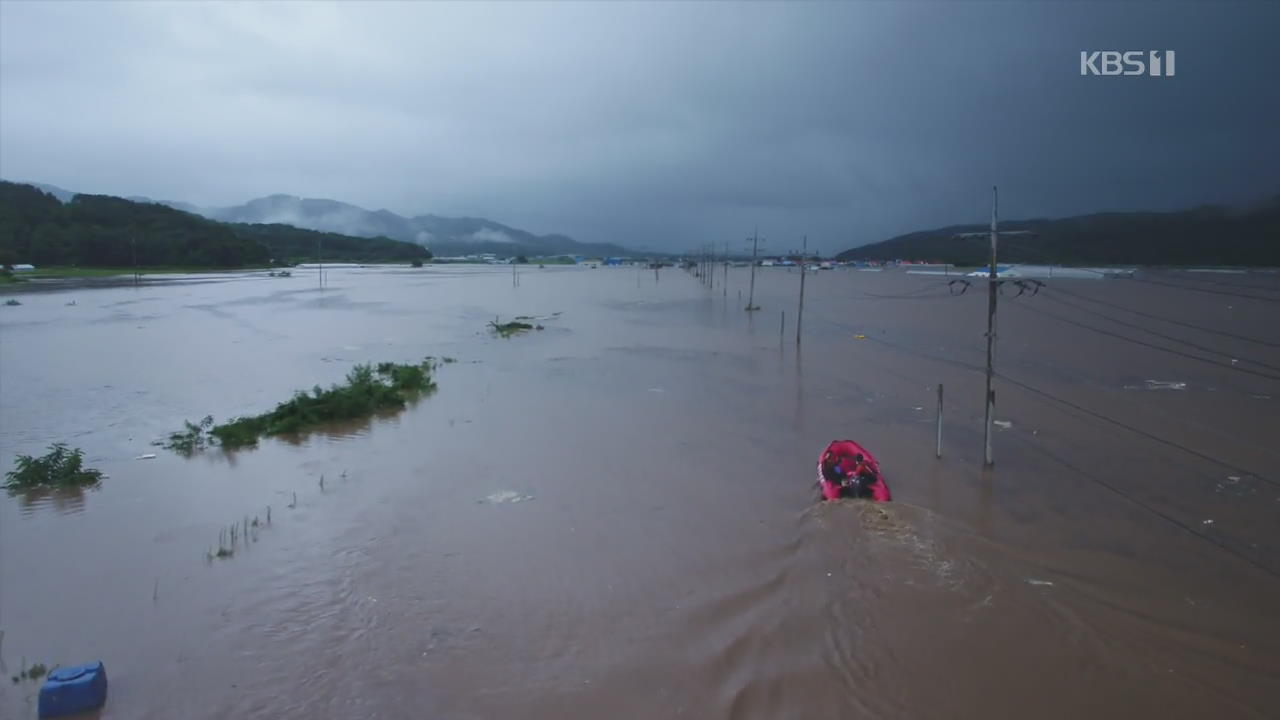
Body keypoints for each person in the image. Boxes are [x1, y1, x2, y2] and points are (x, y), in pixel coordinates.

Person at [817, 441, 891, 502]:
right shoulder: (827, 469)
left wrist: (845, 478)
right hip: (841, 479)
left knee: (848, 478)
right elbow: (830, 477)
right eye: (831, 459)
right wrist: (841, 481)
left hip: (860, 480)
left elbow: (842, 474)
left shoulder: (837, 467)